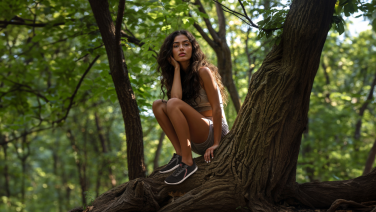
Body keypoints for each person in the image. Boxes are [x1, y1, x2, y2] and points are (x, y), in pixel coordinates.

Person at [152, 30, 229, 185]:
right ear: (170, 52)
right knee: (158, 105)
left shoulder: (204, 72)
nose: (181, 48)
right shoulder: (177, 76)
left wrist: (216, 143)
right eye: (176, 46)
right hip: (194, 138)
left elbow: (217, 108)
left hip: (214, 131)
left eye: (186, 44)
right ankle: (181, 154)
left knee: (172, 103)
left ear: (193, 48)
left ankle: (188, 164)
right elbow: (176, 99)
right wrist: (176, 69)